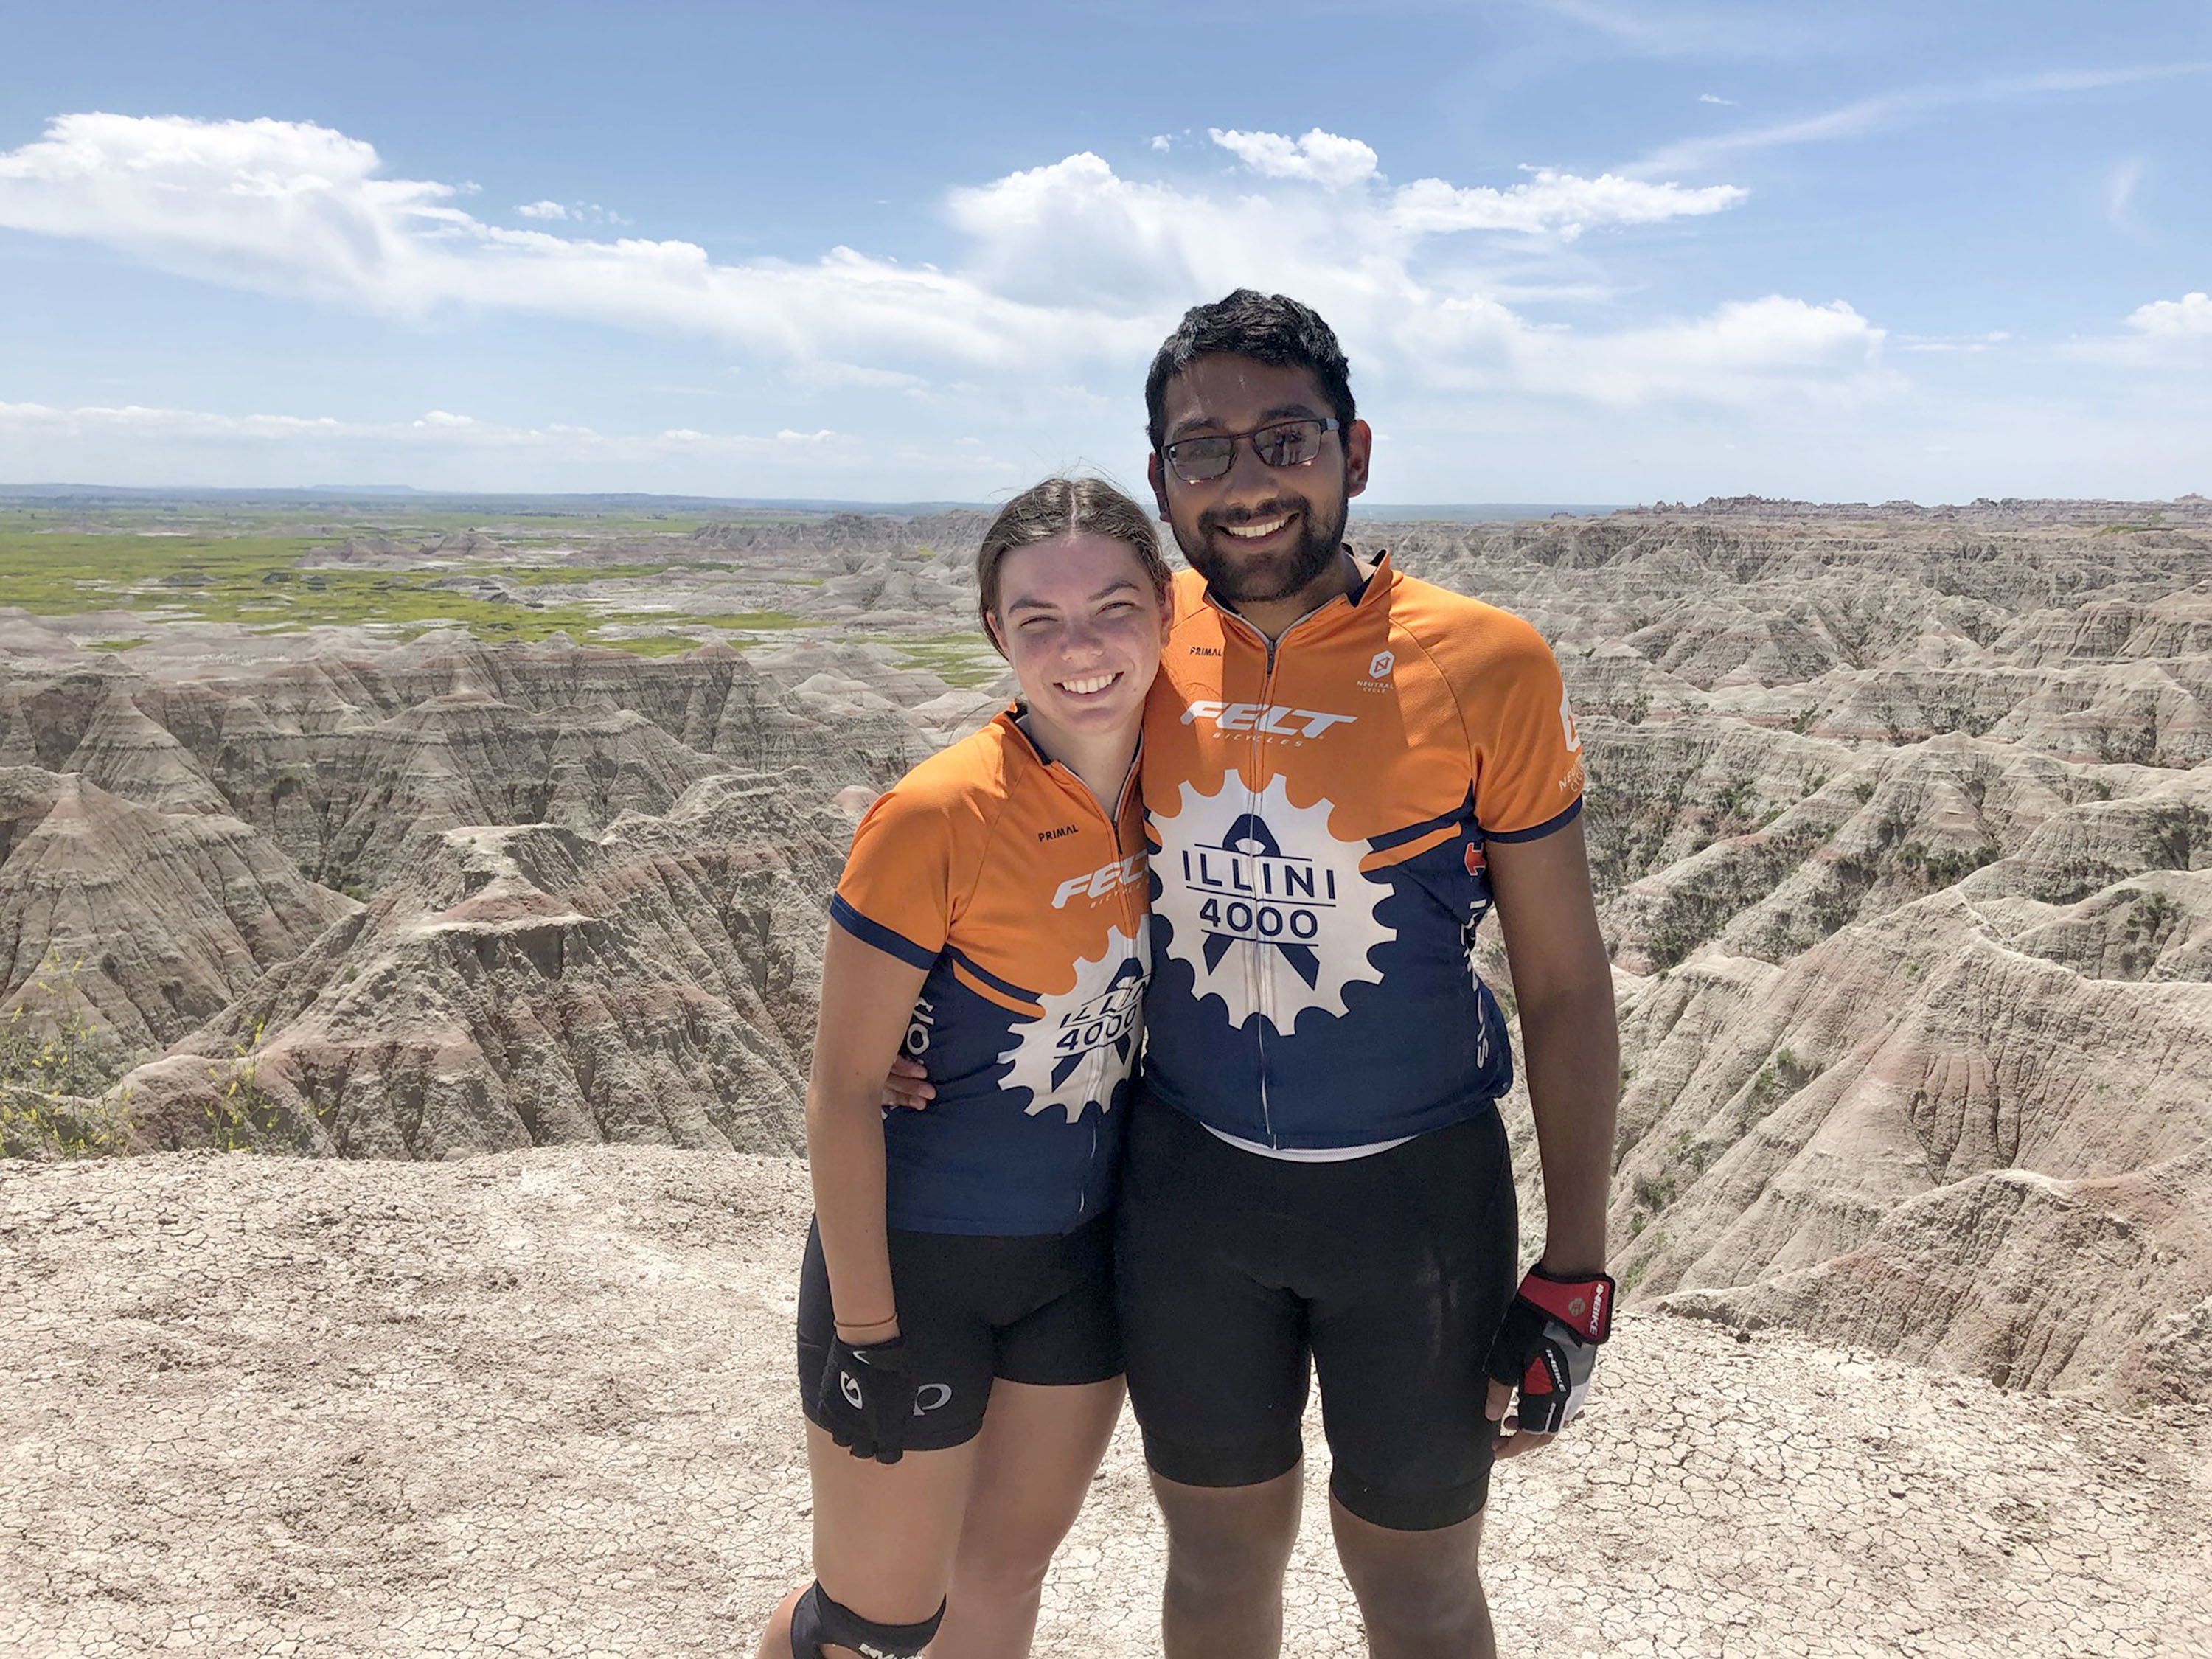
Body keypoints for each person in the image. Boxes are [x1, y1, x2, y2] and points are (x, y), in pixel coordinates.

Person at [1119, 291, 1621, 1659]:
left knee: (1420, 1589)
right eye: (1201, 449)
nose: (1247, 481)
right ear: (1160, 478)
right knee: (1218, 1572)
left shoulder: (1485, 662)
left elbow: (1564, 979)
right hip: (1190, 1191)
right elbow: (1009, 837)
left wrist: (1576, 1269)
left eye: (1284, 436)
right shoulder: (1129, 639)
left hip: (1418, 1207)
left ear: (1356, 448)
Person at [757, 476, 1173, 1659]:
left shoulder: (1188, 786)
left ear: (1163, 613)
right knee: (877, 1623)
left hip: (1079, 1264)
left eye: (1112, 607)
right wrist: (872, 1332)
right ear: (997, 634)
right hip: (918, 1264)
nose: (1080, 648)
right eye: (1037, 619)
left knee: (1000, 1587)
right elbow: (841, 1090)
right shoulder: (937, 814)